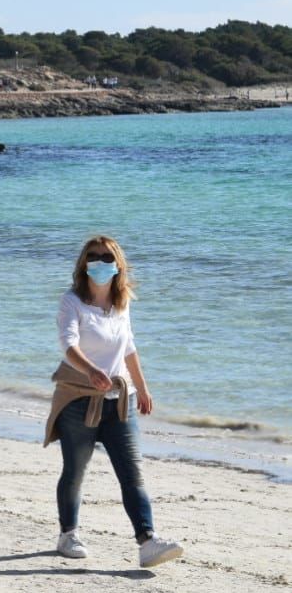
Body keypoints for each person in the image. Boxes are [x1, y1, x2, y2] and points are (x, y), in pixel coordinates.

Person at [45, 236, 184, 569]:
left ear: (117, 263)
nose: (100, 261)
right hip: (79, 399)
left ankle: (147, 541)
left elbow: (130, 347)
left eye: (107, 257)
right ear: (83, 264)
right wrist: (91, 370)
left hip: (121, 401)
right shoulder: (72, 302)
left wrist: (143, 388)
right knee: (75, 472)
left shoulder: (121, 303)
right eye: (93, 256)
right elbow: (68, 344)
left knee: (132, 473)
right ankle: (68, 534)